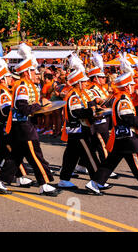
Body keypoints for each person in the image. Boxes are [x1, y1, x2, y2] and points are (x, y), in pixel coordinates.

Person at [0, 43, 61, 196]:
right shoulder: (23, 86)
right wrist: (40, 105)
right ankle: (44, 184)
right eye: (33, 71)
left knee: (16, 156)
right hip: (24, 127)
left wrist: (41, 108)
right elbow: (23, 107)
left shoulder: (27, 85)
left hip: (23, 126)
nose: (36, 74)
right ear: (26, 72)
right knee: (35, 154)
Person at [85, 55, 138, 199]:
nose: (133, 86)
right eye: (132, 84)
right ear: (127, 86)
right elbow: (128, 118)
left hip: (121, 136)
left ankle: (95, 183)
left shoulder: (121, 97)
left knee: (110, 163)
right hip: (127, 136)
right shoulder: (123, 99)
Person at [0, 57, 34, 190]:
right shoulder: (2, 92)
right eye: (8, 77)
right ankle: (19, 177)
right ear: (2, 79)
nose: (11, 79)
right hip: (2, 127)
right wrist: (18, 108)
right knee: (13, 152)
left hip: (0, 126)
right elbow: (5, 110)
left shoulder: (2, 90)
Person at [57, 54, 107, 190]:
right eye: (83, 81)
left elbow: (89, 106)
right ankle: (97, 181)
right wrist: (92, 111)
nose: (86, 83)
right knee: (90, 154)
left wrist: (96, 109)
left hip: (79, 129)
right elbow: (77, 113)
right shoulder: (73, 96)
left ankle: (64, 179)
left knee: (71, 156)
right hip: (79, 130)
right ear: (78, 83)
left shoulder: (81, 94)